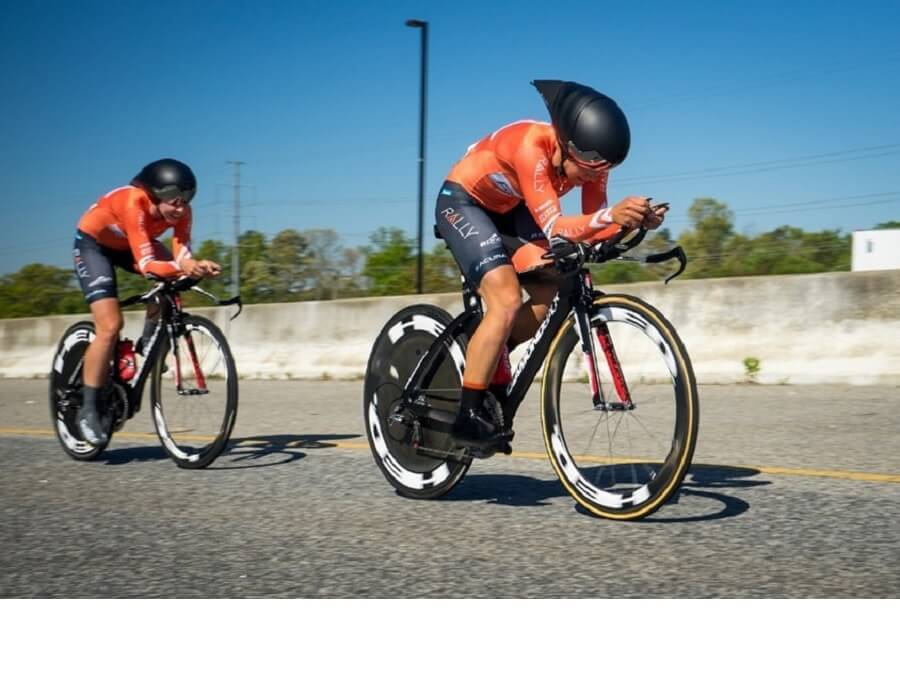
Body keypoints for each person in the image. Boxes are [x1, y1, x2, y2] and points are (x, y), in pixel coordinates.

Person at [435, 80, 669, 452]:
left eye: (602, 170)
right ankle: (467, 415)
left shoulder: (591, 161)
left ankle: (489, 351)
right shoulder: (532, 148)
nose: (594, 177)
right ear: (566, 145)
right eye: (589, 169)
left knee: (549, 289)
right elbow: (558, 227)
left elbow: (592, 225)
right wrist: (613, 215)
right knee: (507, 300)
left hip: (513, 210)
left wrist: (631, 221)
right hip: (464, 204)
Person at [72, 158, 221, 445]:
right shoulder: (134, 203)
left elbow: (181, 255)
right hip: (95, 245)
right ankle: (89, 410)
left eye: (188, 199)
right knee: (110, 325)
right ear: (155, 194)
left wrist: (194, 265)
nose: (182, 207)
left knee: (171, 288)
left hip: (129, 244)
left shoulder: (182, 213)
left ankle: (149, 344)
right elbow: (148, 264)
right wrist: (185, 266)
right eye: (175, 200)